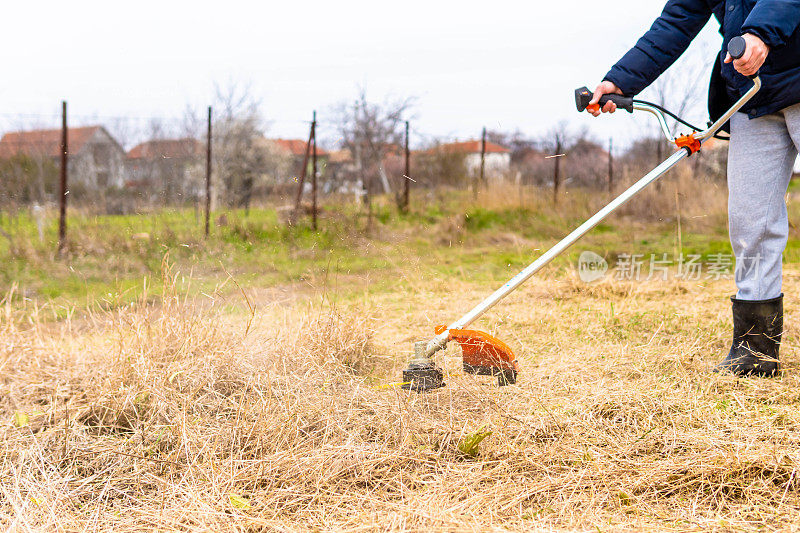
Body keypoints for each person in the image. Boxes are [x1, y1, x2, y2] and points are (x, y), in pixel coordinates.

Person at [589, 1, 800, 376]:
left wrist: (760, 33)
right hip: (756, 93)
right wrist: (622, 79)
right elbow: (676, 20)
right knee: (751, 221)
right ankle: (755, 349)